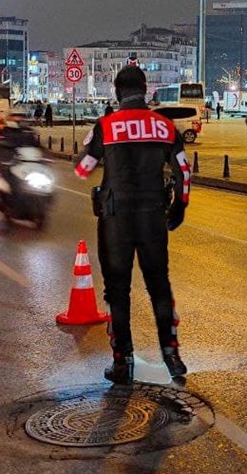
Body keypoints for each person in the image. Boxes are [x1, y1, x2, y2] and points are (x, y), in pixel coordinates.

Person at [74, 66, 192, 384]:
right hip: (153, 216)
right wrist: (179, 207)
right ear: (146, 89)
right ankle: (171, 355)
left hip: (116, 220)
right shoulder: (165, 126)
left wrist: (92, 151)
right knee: (159, 286)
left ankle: (122, 361)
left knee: (117, 290)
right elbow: (184, 171)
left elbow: (83, 169)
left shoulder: (106, 126)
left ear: (117, 92)